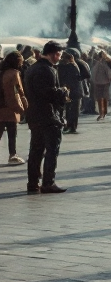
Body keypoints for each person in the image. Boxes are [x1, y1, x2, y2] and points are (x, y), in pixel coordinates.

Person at [24, 41, 70, 194]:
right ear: (54, 53)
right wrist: (62, 92)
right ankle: (48, 182)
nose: (59, 58)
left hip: (34, 115)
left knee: (36, 150)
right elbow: (46, 93)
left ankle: (32, 182)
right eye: (59, 55)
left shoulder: (32, 68)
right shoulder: (47, 70)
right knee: (51, 150)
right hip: (49, 116)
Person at [2, 51, 28, 164]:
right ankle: (12, 155)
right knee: (12, 133)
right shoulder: (14, 73)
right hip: (10, 107)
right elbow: (18, 91)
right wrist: (24, 104)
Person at [60, 51, 88, 135]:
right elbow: (87, 74)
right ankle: (72, 127)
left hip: (68, 90)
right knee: (74, 110)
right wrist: (79, 78)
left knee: (68, 109)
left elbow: (61, 79)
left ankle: (68, 126)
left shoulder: (63, 66)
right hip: (76, 90)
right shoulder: (75, 65)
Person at [91, 52, 111, 121]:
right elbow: (109, 72)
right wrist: (110, 79)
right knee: (104, 97)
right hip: (105, 82)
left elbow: (93, 72)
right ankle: (104, 112)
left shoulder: (98, 63)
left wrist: (93, 80)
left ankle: (102, 113)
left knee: (100, 98)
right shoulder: (107, 62)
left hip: (98, 82)